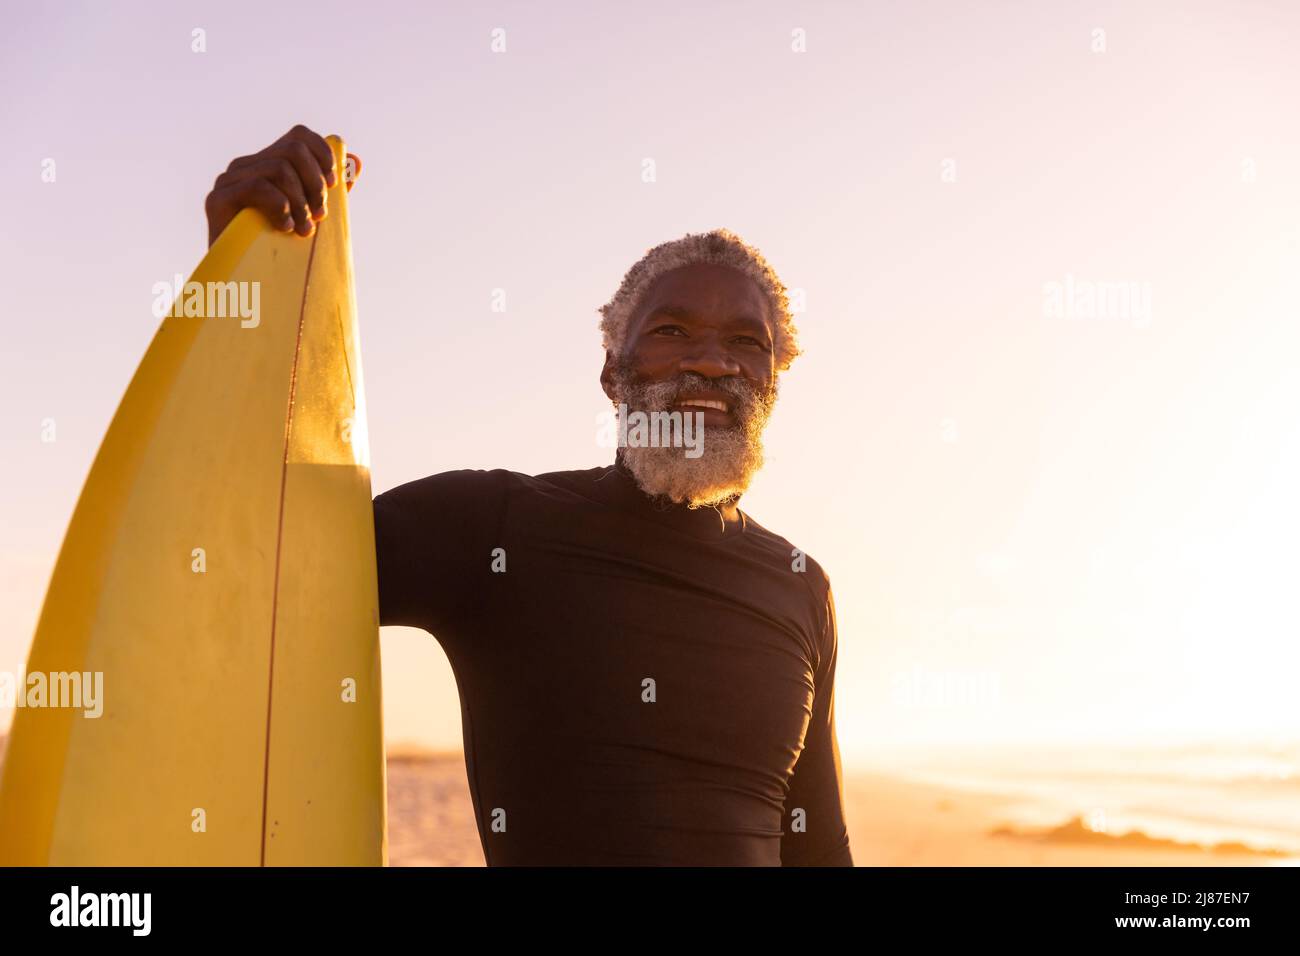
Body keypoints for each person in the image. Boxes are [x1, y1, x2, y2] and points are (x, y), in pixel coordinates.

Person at [205, 125, 852, 866]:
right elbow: (258, 548)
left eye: (747, 342)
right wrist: (243, 280)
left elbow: (820, 846)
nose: (712, 361)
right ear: (613, 375)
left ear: (773, 382)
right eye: (673, 330)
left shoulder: (800, 584)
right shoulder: (495, 528)